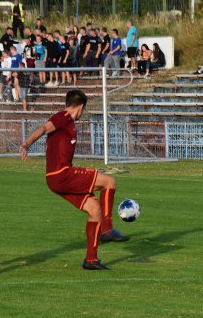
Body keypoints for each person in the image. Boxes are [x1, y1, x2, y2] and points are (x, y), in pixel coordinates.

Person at [19, 90, 129, 270]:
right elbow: (44, 128)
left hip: (56, 179)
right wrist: (26, 144)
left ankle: (91, 260)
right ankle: (107, 230)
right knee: (109, 182)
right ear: (80, 107)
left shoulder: (67, 122)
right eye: (83, 110)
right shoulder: (63, 117)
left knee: (95, 210)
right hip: (62, 174)